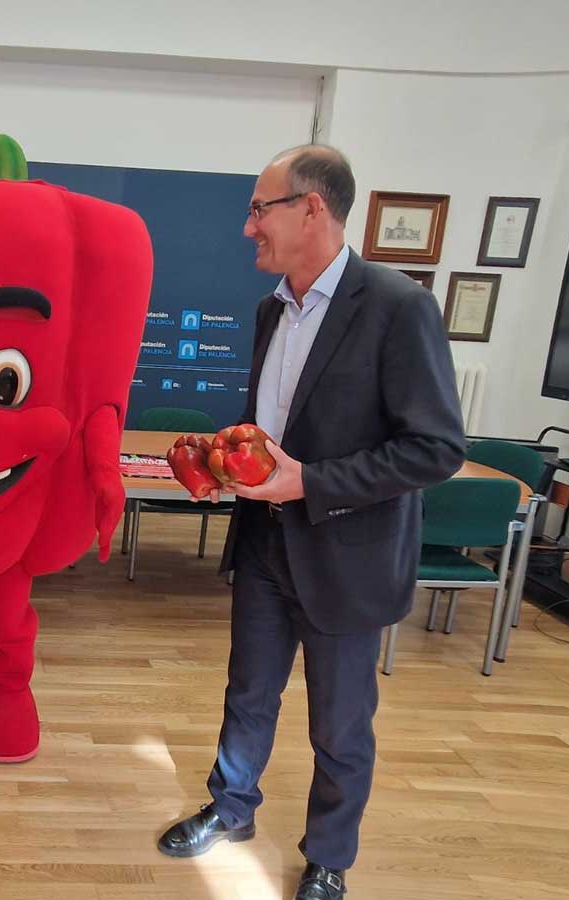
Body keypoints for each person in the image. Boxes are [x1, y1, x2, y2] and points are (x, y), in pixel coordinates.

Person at [156, 145, 465, 899]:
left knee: (340, 724)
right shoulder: (272, 310)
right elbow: (277, 430)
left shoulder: (399, 307)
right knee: (248, 693)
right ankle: (231, 809)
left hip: (350, 557)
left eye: (259, 210)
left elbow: (436, 448)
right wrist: (225, 456)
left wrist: (310, 482)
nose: (248, 228)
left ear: (312, 209)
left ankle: (329, 856)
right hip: (265, 545)